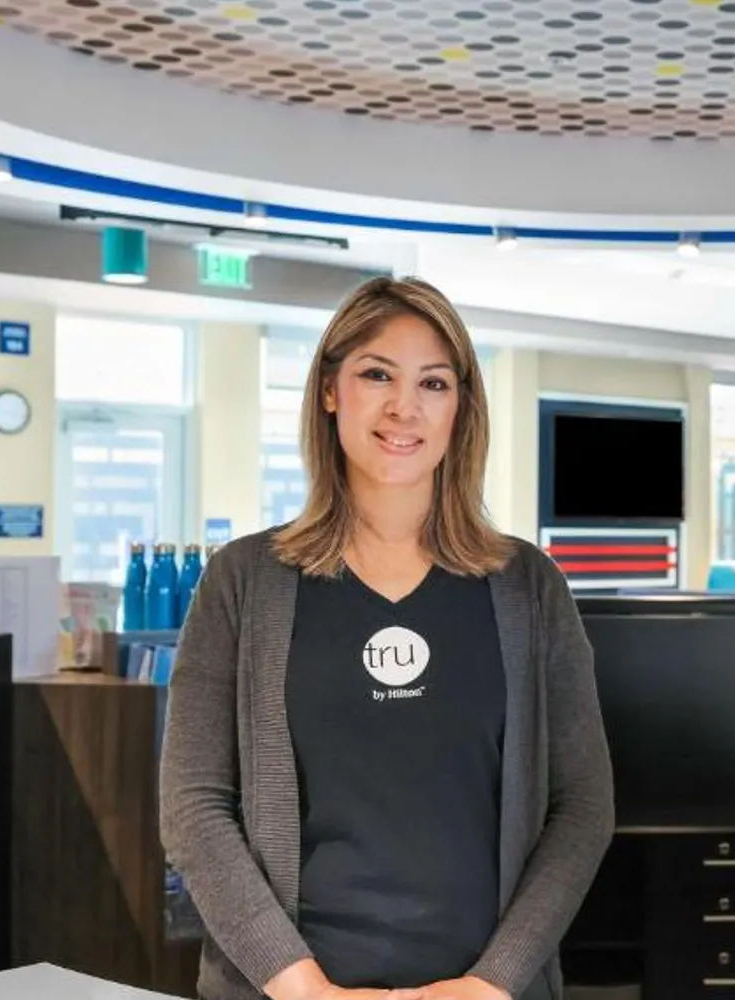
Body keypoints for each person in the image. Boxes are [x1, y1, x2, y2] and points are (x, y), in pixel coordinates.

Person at [161, 276, 615, 1000]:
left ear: (461, 407)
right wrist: (306, 991)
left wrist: (492, 983)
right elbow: (194, 807)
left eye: (433, 383)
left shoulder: (528, 586)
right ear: (330, 390)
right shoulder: (243, 580)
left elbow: (582, 806)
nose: (405, 406)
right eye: (377, 374)